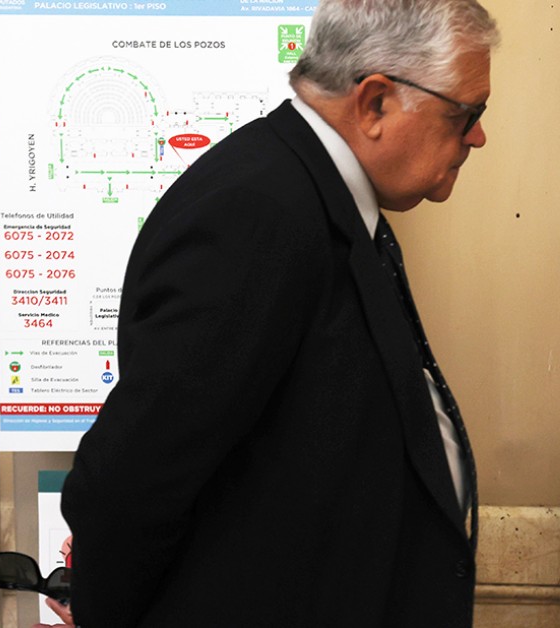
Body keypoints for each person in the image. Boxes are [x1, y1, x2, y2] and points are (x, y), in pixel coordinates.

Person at [56, 1, 499, 626]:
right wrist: (104, 609)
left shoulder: (320, 195)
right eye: (465, 114)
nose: (477, 137)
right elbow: (132, 479)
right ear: (375, 103)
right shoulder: (257, 215)